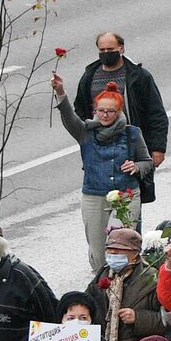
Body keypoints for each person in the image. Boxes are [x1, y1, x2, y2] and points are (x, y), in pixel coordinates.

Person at [53, 77, 153, 274]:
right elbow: (69, 117)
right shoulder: (85, 132)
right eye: (101, 111)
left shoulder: (132, 133)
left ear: (119, 112)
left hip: (126, 195)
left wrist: (136, 166)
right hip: (94, 195)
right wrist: (60, 92)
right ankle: (102, 284)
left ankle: (125, 281)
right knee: (98, 251)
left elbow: (147, 162)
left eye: (111, 111)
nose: (105, 115)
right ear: (95, 111)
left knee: (121, 244)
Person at [87, 224, 167, 341]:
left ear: (135, 253)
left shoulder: (151, 279)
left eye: (118, 251)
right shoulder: (103, 274)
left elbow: (167, 321)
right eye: (110, 250)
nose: (112, 254)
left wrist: (138, 318)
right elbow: (87, 302)